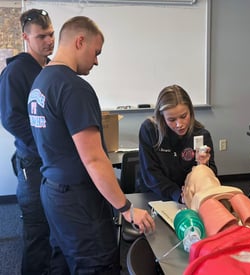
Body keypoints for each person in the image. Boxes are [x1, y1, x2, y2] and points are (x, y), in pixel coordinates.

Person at [27, 16, 155, 274]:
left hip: (52, 193)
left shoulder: (41, 81)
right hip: (77, 200)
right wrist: (127, 209)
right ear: (80, 41)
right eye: (96, 52)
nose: (96, 61)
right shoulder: (74, 87)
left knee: (62, 260)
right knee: (97, 265)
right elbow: (94, 159)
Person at [0, 9, 55, 274]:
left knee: (52, 231)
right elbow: (12, 120)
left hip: (51, 162)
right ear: (26, 37)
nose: (49, 41)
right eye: (42, 36)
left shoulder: (49, 68)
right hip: (32, 164)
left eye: (52, 34)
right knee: (36, 233)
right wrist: (44, 145)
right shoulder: (17, 71)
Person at [138, 84, 217, 202]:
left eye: (184, 116)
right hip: (156, 195)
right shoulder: (149, 130)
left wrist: (204, 166)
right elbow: (151, 174)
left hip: (189, 198)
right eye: (172, 120)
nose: (179, 124)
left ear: (190, 111)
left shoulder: (201, 134)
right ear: (162, 117)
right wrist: (177, 195)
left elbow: (212, 174)